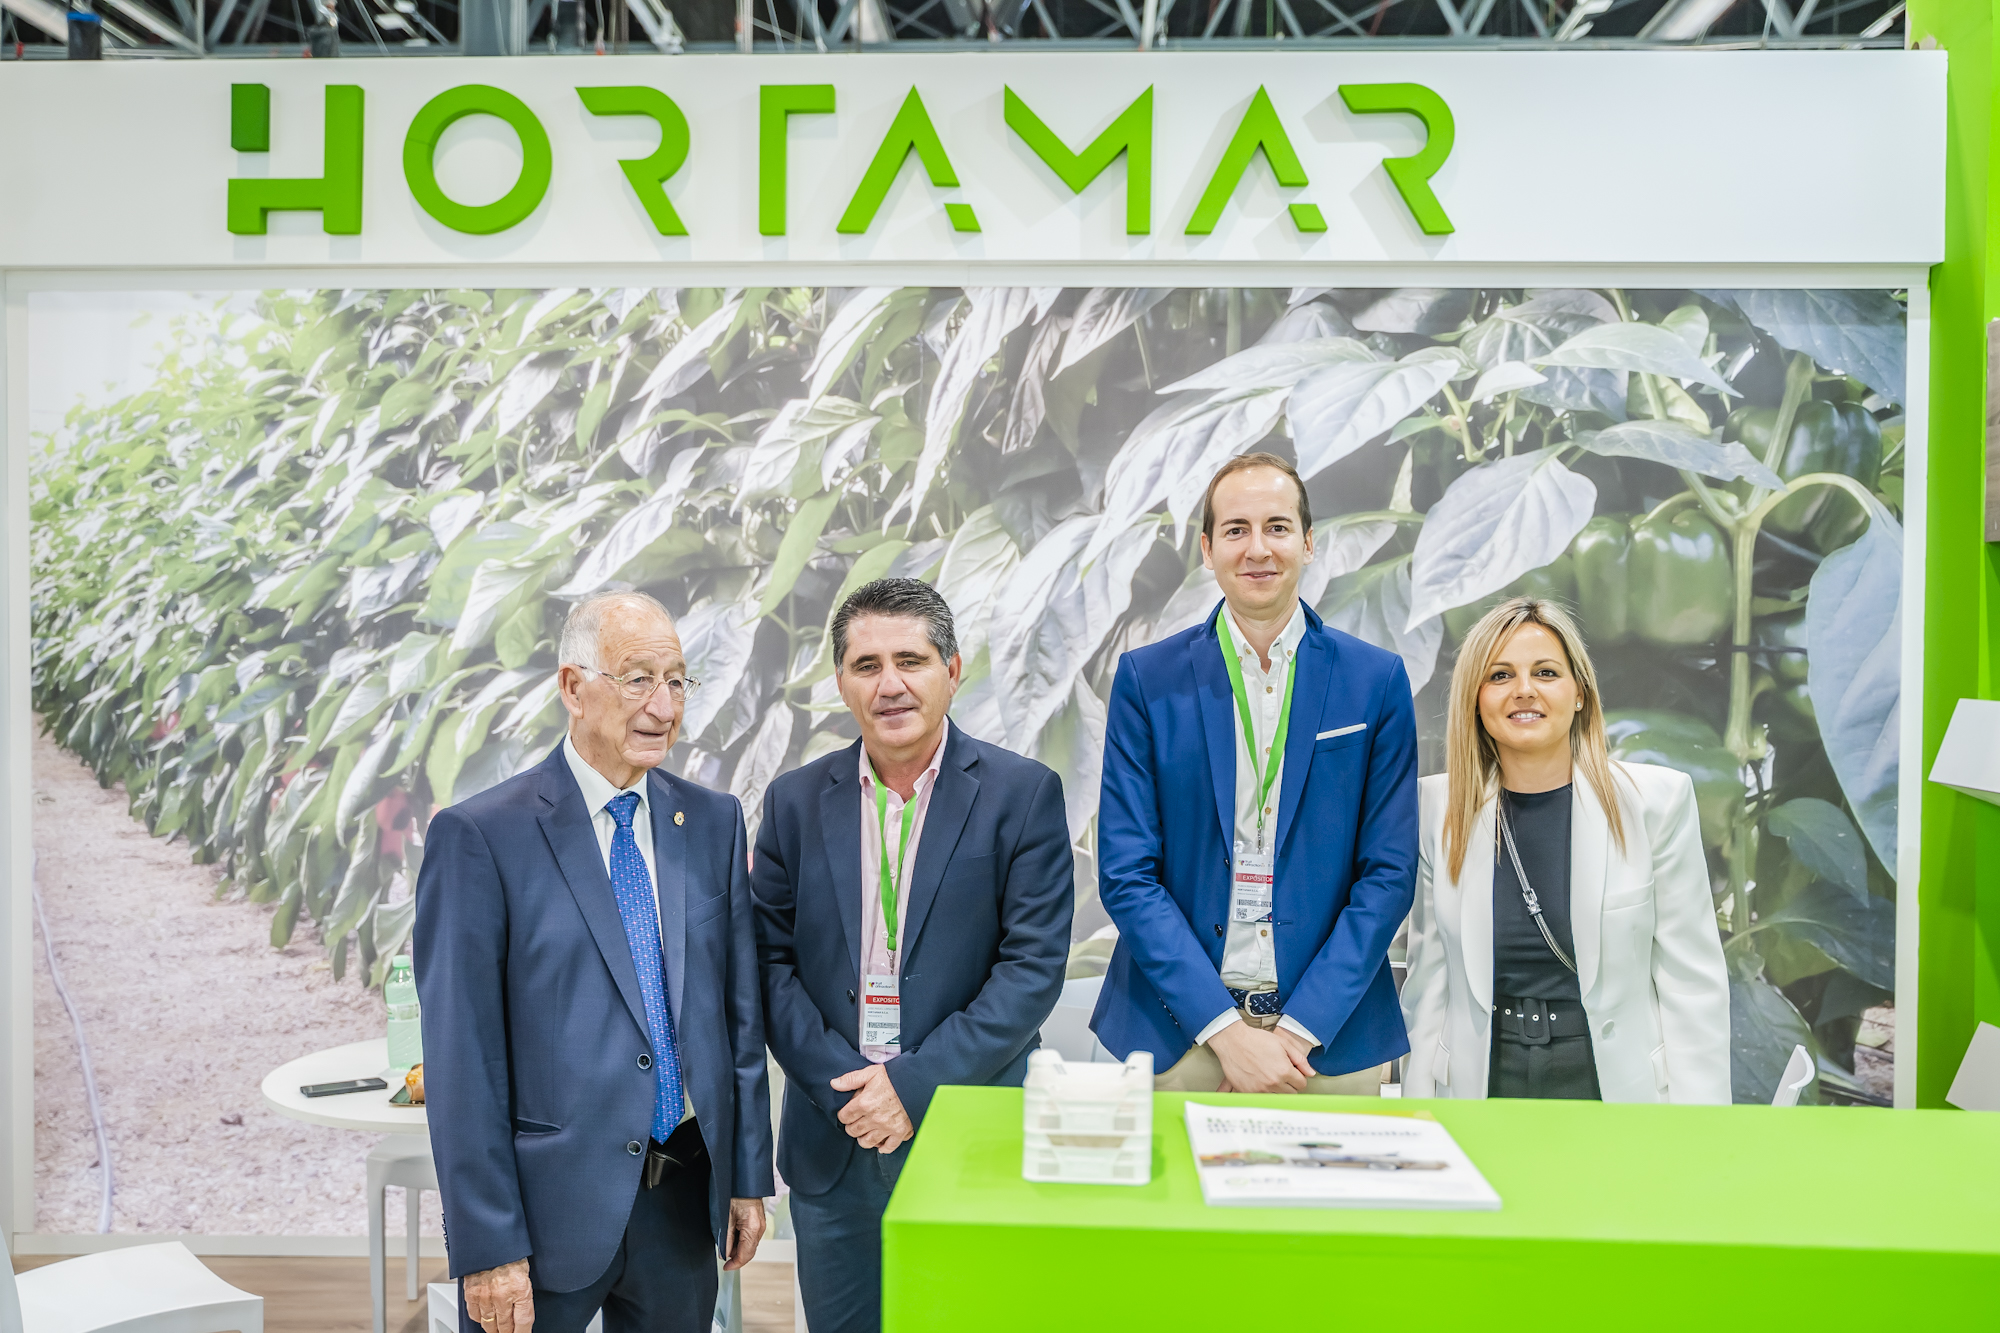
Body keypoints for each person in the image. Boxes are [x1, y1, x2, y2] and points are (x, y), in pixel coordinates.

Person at [415, 591, 773, 1333]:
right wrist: (489, 1244)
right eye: (638, 678)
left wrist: (745, 1176)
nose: (663, 705)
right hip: (544, 1214)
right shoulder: (481, 837)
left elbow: (737, 1018)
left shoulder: (712, 821)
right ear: (573, 688)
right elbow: (462, 1058)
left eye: (676, 681)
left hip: (681, 1199)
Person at [753, 578, 1072, 1333]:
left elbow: (1030, 969)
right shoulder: (795, 801)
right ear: (841, 683)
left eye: (911, 660)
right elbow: (767, 963)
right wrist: (849, 1093)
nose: (889, 684)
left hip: (968, 1127)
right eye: (866, 665)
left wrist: (911, 1085)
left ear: (951, 671)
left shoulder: (1022, 794)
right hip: (836, 1137)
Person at [1093, 452, 1419, 1096]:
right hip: (1179, 1035)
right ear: (1208, 550)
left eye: (1277, 526)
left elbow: (1388, 875)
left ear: (1308, 542)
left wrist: (1297, 1031)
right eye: (1236, 530)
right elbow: (1127, 873)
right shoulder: (1147, 681)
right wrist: (1225, 1033)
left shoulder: (1374, 680)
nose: (1258, 548)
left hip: (1329, 1041)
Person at [1400, 597, 1731, 1102]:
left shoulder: (1656, 803)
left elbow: (1692, 985)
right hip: (1481, 1085)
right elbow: (1429, 987)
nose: (1524, 690)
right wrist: (1421, 1114)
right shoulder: (1435, 809)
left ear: (1579, 693)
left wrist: (1699, 1128)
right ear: (1475, 699)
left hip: (1613, 1086)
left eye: (1546, 672)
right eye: (1500, 676)